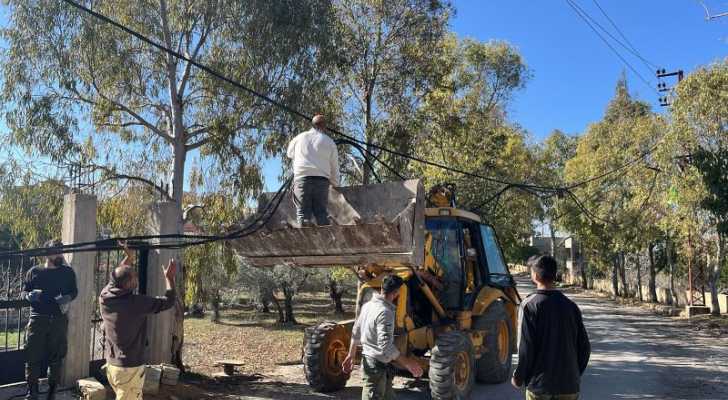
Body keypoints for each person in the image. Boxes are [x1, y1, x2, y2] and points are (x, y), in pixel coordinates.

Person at [99, 243, 177, 400]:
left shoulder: (105, 296)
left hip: (113, 366)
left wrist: (129, 258)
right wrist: (169, 279)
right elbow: (168, 301)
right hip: (130, 368)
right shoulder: (136, 303)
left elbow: (118, 276)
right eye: (134, 277)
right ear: (128, 284)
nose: (137, 278)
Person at [512, 255, 591, 400]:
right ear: (555, 275)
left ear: (535, 275)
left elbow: (525, 348)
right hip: (569, 386)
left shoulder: (529, 305)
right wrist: (573, 374)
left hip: (539, 387)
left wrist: (518, 377)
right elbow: (584, 347)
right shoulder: (571, 306)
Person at [342, 275, 423, 400]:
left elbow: (356, 331)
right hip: (376, 367)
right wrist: (408, 363)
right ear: (396, 293)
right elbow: (385, 346)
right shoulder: (385, 311)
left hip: (373, 363)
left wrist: (351, 354)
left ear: (381, 288)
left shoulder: (367, 306)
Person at [22, 239, 78, 400]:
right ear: (47, 254)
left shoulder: (68, 272)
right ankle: (32, 391)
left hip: (58, 319)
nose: (60, 254)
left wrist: (67, 297)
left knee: (56, 357)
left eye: (62, 251)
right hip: (37, 319)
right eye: (57, 251)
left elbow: (74, 291)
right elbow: (24, 291)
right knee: (32, 356)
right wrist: (28, 296)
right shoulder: (34, 271)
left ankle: (52, 391)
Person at [286, 114, 340, 227]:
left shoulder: (299, 137)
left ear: (313, 124)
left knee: (302, 215)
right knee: (321, 214)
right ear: (324, 126)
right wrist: (335, 183)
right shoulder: (330, 142)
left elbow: (289, 154)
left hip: (302, 180)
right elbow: (334, 166)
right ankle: (326, 242)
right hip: (322, 181)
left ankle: (304, 242)